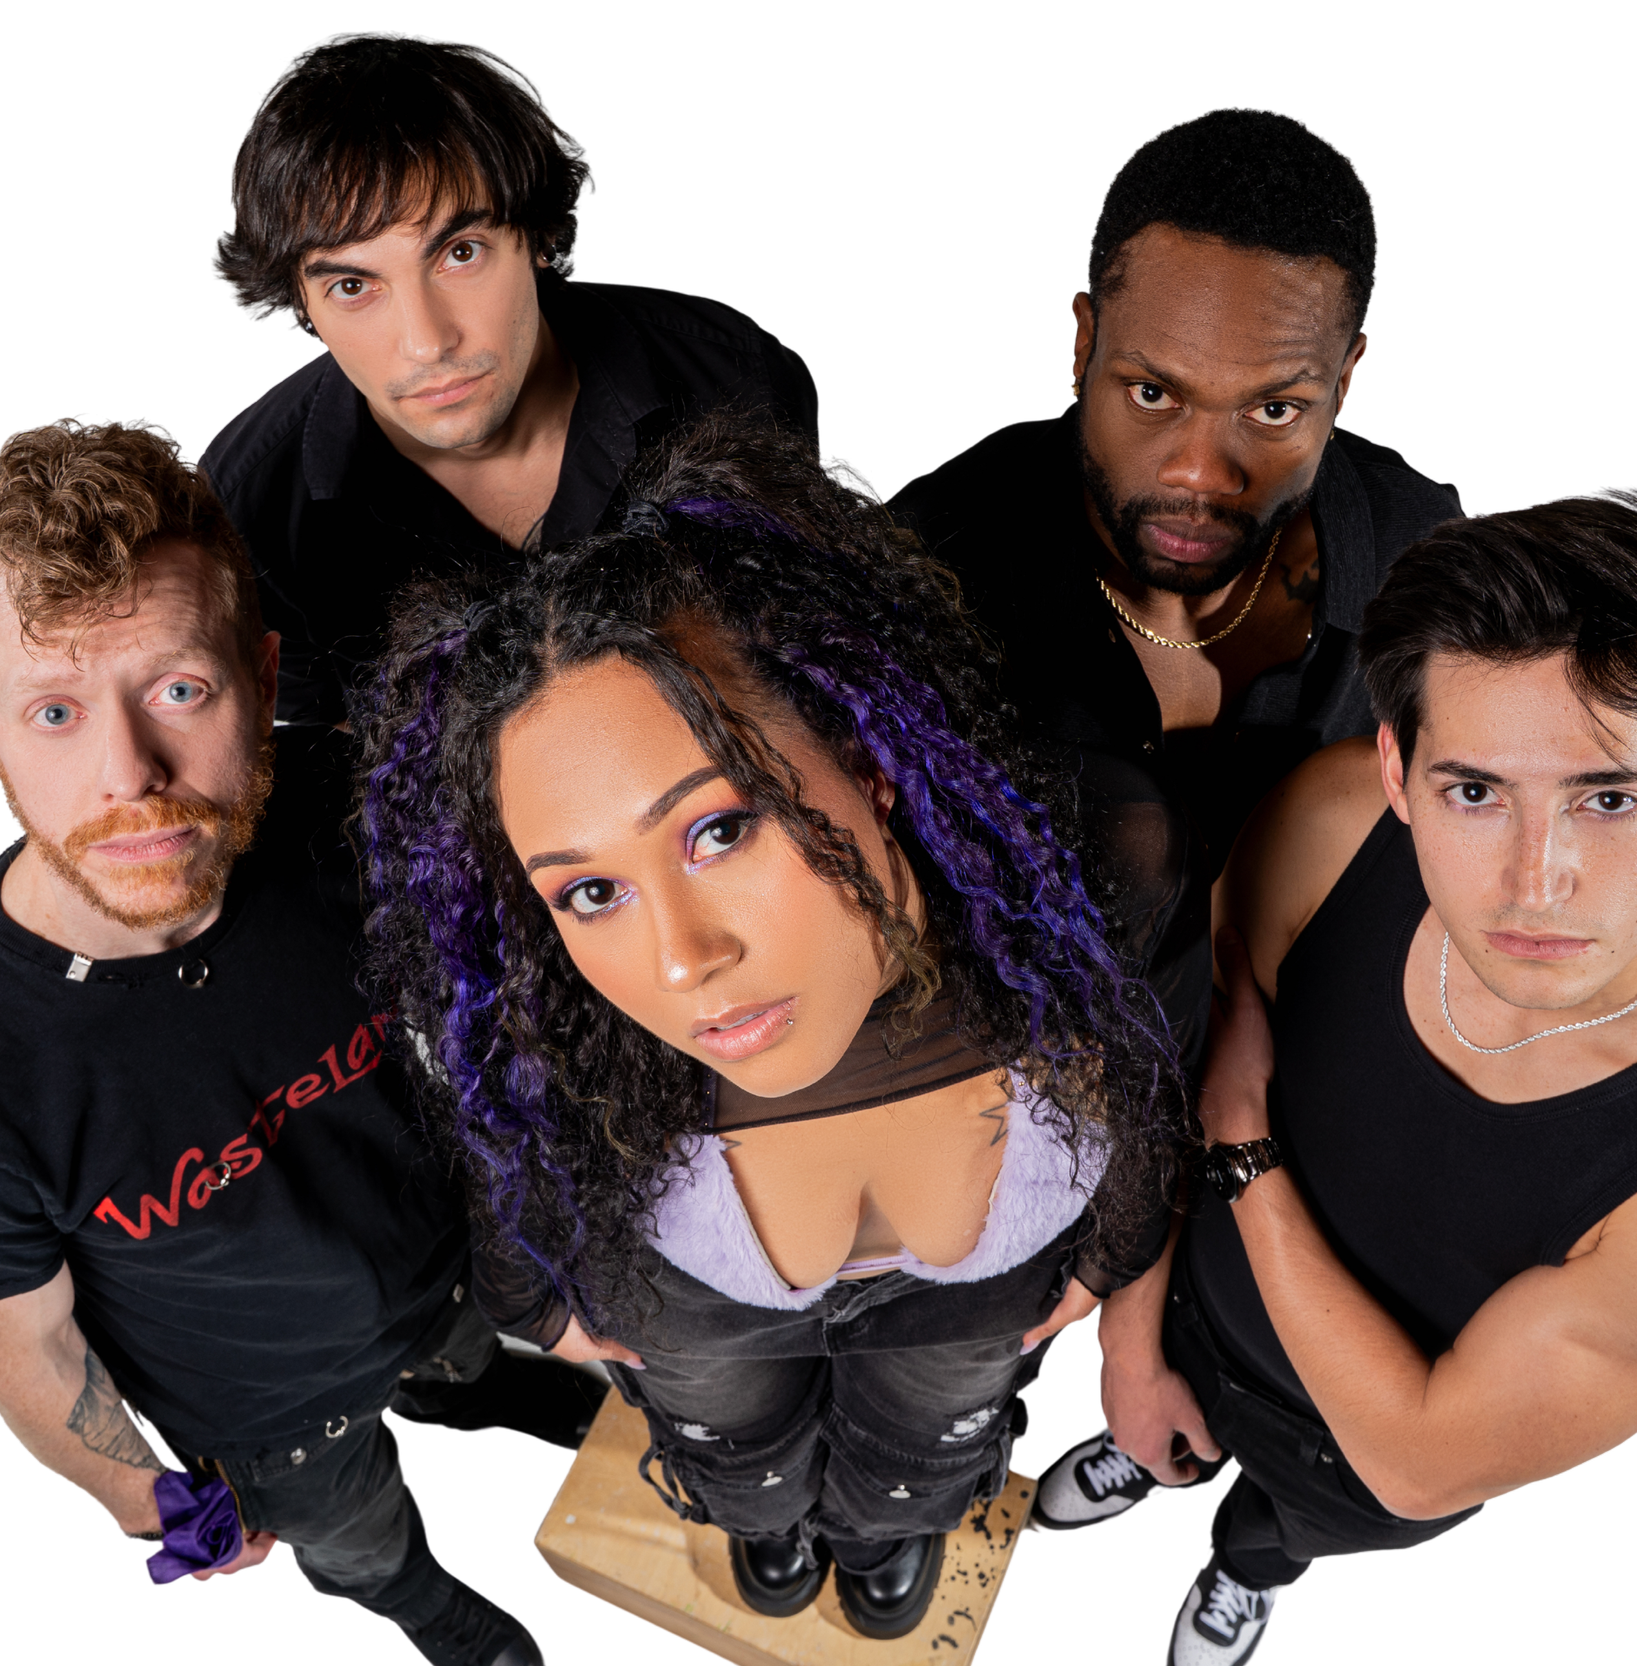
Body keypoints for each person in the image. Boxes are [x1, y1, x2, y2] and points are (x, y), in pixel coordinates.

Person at [353, 417, 1190, 1640]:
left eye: (720, 827)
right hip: (695, 1306)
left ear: (866, 756)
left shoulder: (1100, 860)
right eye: (590, 891)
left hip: (972, 1308)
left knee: (925, 1443)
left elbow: (1153, 1068)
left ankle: (885, 1526)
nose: (685, 960)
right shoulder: (545, 999)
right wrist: (532, 1301)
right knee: (732, 1448)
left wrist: (1111, 1255)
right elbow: (503, 1130)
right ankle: (763, 1521)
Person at [1037, 485, 1637, 1665]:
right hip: (1187, 1306)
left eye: (1609, 798)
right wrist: (1129, 1347)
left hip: (1351, 1457)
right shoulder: (1327, 829)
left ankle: (1239, 1571)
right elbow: (1167, 1085)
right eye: (1474, 792)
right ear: (1395, 769)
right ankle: (1143, 1439)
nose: (1535, 882)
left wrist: (1243, 1145)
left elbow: (1418, 1458)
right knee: (1162, 1409)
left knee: (1283, 1535)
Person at [0, 419, 594, 1665]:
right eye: (54, 709)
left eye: (178, 689)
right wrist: (161, 1507)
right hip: (275, 1427)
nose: (129, 773)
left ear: (263, 671)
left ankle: (547, 1420)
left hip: (452, 1291)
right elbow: (31, 1359)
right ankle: (462, 1634)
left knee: (519, 1389)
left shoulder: (356, 816)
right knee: (369, 1556)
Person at [890, 108, 1460, 1075]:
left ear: (1347, 384)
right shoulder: (920, 572)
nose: (1202, 472)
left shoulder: (1432, 564)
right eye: (1153, 393)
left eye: (1273, 408)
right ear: (1082, 346)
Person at [204, 32, 820, 728]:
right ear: (302, 304)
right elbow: (324, 749)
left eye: (460, 253)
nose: (427, 342)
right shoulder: (253, 500)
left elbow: (797, 655)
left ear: (536, 237)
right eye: (353, 284)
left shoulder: (728, 375)